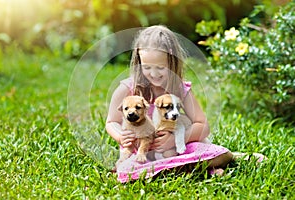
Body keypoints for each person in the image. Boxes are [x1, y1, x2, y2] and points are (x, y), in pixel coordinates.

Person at [105, 25, 264, 183]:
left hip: (178, 149)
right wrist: (120, 136)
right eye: (146, 67)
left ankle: (211, 161)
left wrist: (175, 140)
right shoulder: (127, 89)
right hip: (141, 153)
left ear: (172, 62)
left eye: (160, 68)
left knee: (214, 153)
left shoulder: (180, 89)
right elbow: (111, 121)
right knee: (130, 169)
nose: (153, 74)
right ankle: (201, 168)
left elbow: (202, 125)